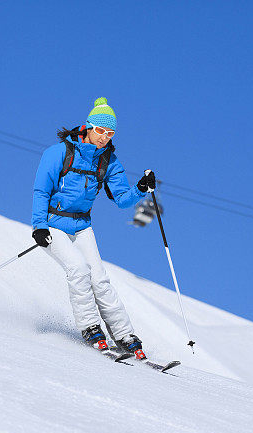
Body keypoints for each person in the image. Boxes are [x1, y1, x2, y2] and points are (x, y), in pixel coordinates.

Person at [31, 97, 156, 358]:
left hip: (81, 226)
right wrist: (39, 226)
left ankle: (124, 334)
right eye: (100, 131)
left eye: (110, 133)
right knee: (78, 270)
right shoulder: (58, 153)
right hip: (53, 224)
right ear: (88, 127)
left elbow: (122, 199)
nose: (104, 137)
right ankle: (90, 327)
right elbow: (41, 190)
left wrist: (140, 188)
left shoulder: (108, 160)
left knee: (99, 278)